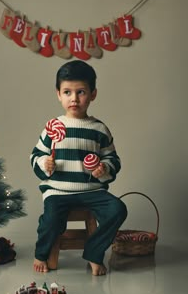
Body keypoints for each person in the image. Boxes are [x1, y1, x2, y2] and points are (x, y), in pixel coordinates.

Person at [30, 60, 127, 276]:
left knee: (117, 209)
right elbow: (35, 155)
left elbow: (113, 159)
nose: (74, 98)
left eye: (81, 92)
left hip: (92, 191)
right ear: (58, 94)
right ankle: (41, 253)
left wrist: (104, 169)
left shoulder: (99, 129)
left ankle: (94, 252)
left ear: (93, 94)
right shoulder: (53, 127)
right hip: (58, 191)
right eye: (67, 92)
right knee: (51, 220)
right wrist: (44, 163)